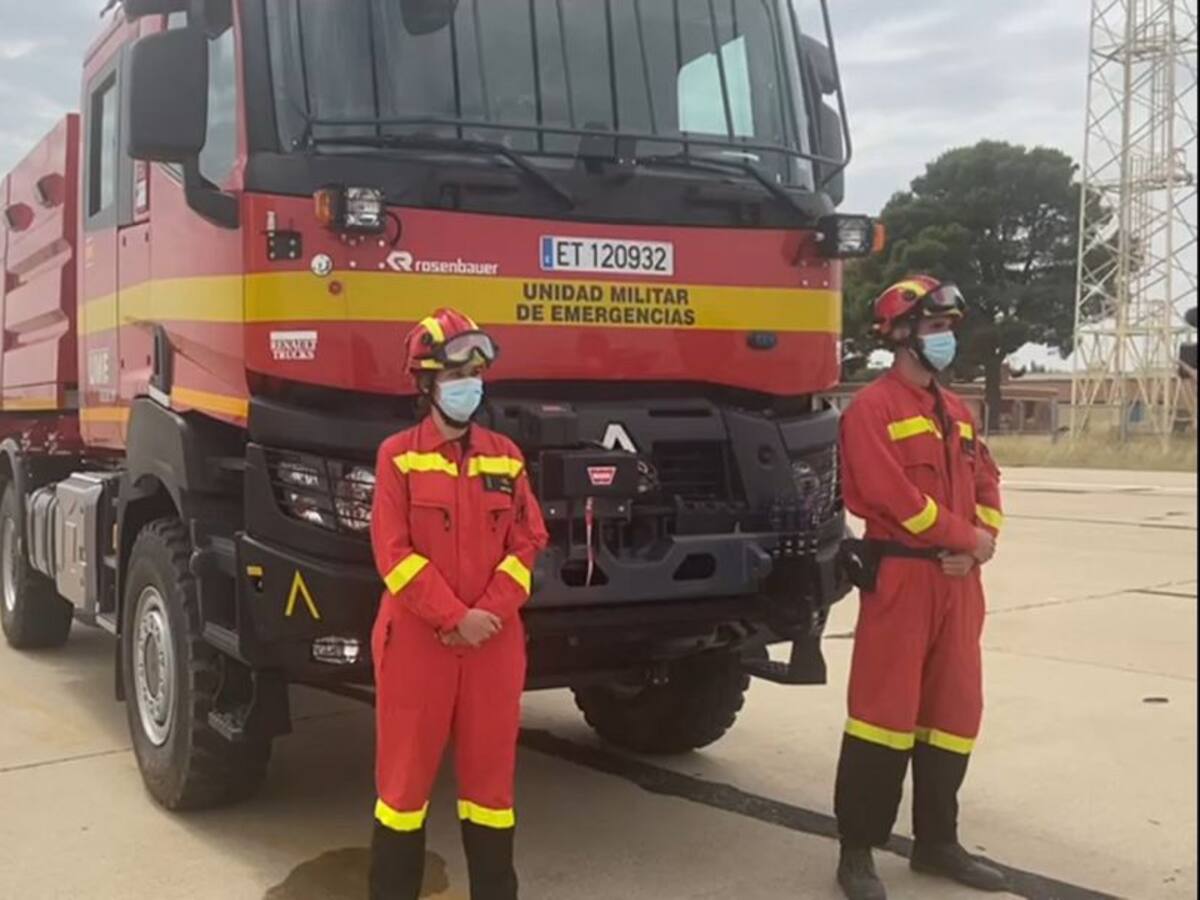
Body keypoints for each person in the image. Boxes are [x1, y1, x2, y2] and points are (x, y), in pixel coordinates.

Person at [833, 276, 1008, 900]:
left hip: (959, 585)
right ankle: (858, 853)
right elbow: (891, 498)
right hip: (904, 579)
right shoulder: (871, 411)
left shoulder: (957, 412)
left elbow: (988, 485)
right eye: (936, 329)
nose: (946, 339)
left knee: (954, 714)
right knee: (883, 715)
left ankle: (938, 843)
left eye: (949, 329)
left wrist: (976, 545)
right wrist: (963, 539)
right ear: (902, 335)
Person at [368, 308, 548, 900]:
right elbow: (394, 556)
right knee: (402, 793)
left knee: (491, 794)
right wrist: (454, 618)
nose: (470, 384)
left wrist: (485, 617)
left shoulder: (506, 456)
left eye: (476, 371)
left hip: (494, 643)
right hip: (418, 644)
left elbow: (528, 543)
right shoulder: (397, 456)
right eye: (456, 374)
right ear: (426, 384)